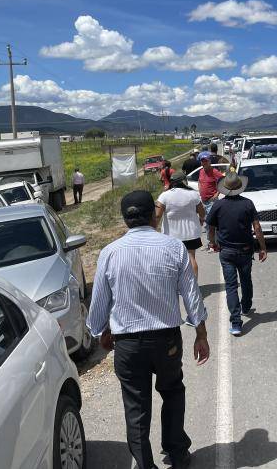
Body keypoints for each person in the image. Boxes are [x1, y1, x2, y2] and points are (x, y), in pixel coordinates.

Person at [87, 190, 210, 469]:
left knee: (136, 407)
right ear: (154, 217)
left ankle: (145, 465)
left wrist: (102, 332)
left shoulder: (109, 253)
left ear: (125, 219)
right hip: (166, 340)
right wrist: (200, 334)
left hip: (128, 345)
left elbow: (97, 311)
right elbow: (191, 296)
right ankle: (177, 453)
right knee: (172, 392)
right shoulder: (174, 247)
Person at [206, 171, 267, 336]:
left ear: (225, 188)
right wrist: (262, 248)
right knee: (246, 280)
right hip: (246, 250)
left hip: (226, 251)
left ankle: (236, 322)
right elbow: (257, 228)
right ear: (240, 187)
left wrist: (212, 243)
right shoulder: (248, 204)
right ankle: (246, 306)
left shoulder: (218, 205)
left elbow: (210, 227)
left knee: (231, 286)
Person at [156, 171, 206, 279]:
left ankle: (177, 285)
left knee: (174, 261)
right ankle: (193, 285)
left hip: (171, 235)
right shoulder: (193, 194)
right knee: (191, 258)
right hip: (191, 233)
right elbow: (202, 212)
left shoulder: (164, 196)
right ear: (184, 181)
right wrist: (201, 219)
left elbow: (157, 215)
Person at [197, 152, 223, 237]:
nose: (204, 163)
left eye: (206, 161)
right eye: (202, 161)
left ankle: (214, 244)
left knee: (211, 223)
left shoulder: (214, 171)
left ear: (209, 161)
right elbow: (199, 181)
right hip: (204, 201)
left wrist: (217, 193)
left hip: (212, 201)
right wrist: (200, 189)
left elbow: (223, 181)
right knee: (207, 224)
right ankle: (212, 243)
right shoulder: (201, 171)